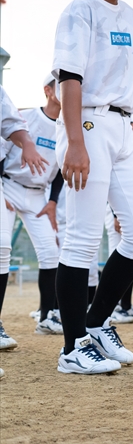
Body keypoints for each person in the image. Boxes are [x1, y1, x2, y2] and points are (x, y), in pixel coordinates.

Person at [52, 0, 133, 374]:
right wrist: (75, 141)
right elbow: (69, 78)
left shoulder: (128, 12)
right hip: (89, 124)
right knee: (80, 238)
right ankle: (73, 349)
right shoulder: (79, 10)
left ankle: (95, 324)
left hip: (122, 127)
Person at [2, 74, 65, 335]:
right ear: (48, 91)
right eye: (60, 85)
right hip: (9, 187)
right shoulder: (27, 118)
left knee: (51, 254)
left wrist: (52, 202)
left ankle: (46, 316)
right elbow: (3, 151)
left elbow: (61, 169)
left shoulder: (67, 125)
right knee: (2, 248)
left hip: (38, 195)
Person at [0, 84, 49, 370]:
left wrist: (28, 143)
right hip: (10, 185)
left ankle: (47, 313)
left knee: (4, 247)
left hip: (33, 192)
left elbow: (9, 121)